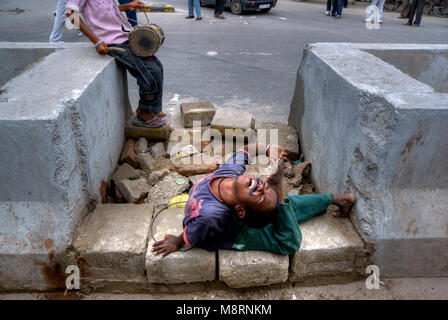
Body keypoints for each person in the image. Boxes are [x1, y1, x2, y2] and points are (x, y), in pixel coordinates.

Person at [151, 144, 356, 257]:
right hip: (229, 228)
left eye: (260, 192)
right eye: (263, 185)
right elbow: (246, 150)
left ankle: (296, 200)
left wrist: (176, 242)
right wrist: (267, 148)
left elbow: (190, 235)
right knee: (282, 209)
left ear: (241, 210)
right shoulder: (230, 174)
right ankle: (325, 200)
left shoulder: (212, 213)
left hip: (237, 235)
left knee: (287, 232)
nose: (259, 185)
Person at [66, 0, 167, 128]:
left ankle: (153, 108)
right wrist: (96, 41)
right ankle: (144, 112)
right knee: (150, 71)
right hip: (112, 42)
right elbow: (70, 13)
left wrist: (127, 6)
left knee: (157, 66)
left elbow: (107, 10)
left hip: (127, 36)